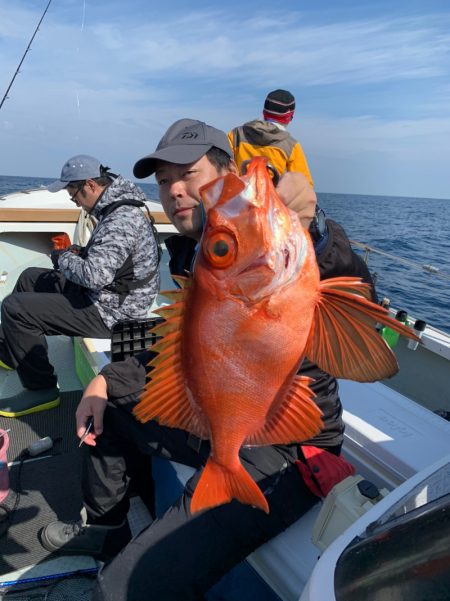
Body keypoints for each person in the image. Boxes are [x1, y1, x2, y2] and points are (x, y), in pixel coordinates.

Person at [40, 121, 375, 601]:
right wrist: (106, 382)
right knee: (107, 410)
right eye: (162, 181)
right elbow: (184, 345)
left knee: (122, 590)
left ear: (226, 175)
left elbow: (363, 299)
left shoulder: (279, 251)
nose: (174, 190)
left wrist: (318, 236)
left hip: (288, 442)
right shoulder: (191, 252)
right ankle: (110, 530)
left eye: (188, 173)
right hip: (219, 415)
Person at [0, 155, 160, 417]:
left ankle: (41, 389)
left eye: (71, 190)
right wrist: (79, 253)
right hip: (108, 295)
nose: (70, 197)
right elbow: (110, 264)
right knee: (31, 276)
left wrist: (64, 258)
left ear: (90, 185)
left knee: (16, 308)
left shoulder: (121, 219)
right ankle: (10, 352)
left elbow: (95, 276)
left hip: (114, 313)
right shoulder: (115, 209)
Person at [228, 89, 314, 186]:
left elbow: (223, 167)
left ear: (264, 112)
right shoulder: (291, 146)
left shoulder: (235, 134)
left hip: (238, 198)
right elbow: (305, 185)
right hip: (270, 199)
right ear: (289, 117)